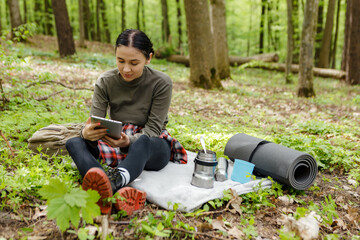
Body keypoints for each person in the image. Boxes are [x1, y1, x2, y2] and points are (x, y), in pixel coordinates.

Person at [66, 29, 187, 216]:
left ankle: (114, 182)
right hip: (115, 138)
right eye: (120, 61)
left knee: (142, 142)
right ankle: (109, 188)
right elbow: (94, 121)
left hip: (149, 143)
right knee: (74, 142)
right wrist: (87, 133)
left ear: (149, 58)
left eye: (134, 63)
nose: (126, 69)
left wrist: (127, 141)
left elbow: (153, 130)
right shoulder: (106, 81)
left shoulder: (161, 82)